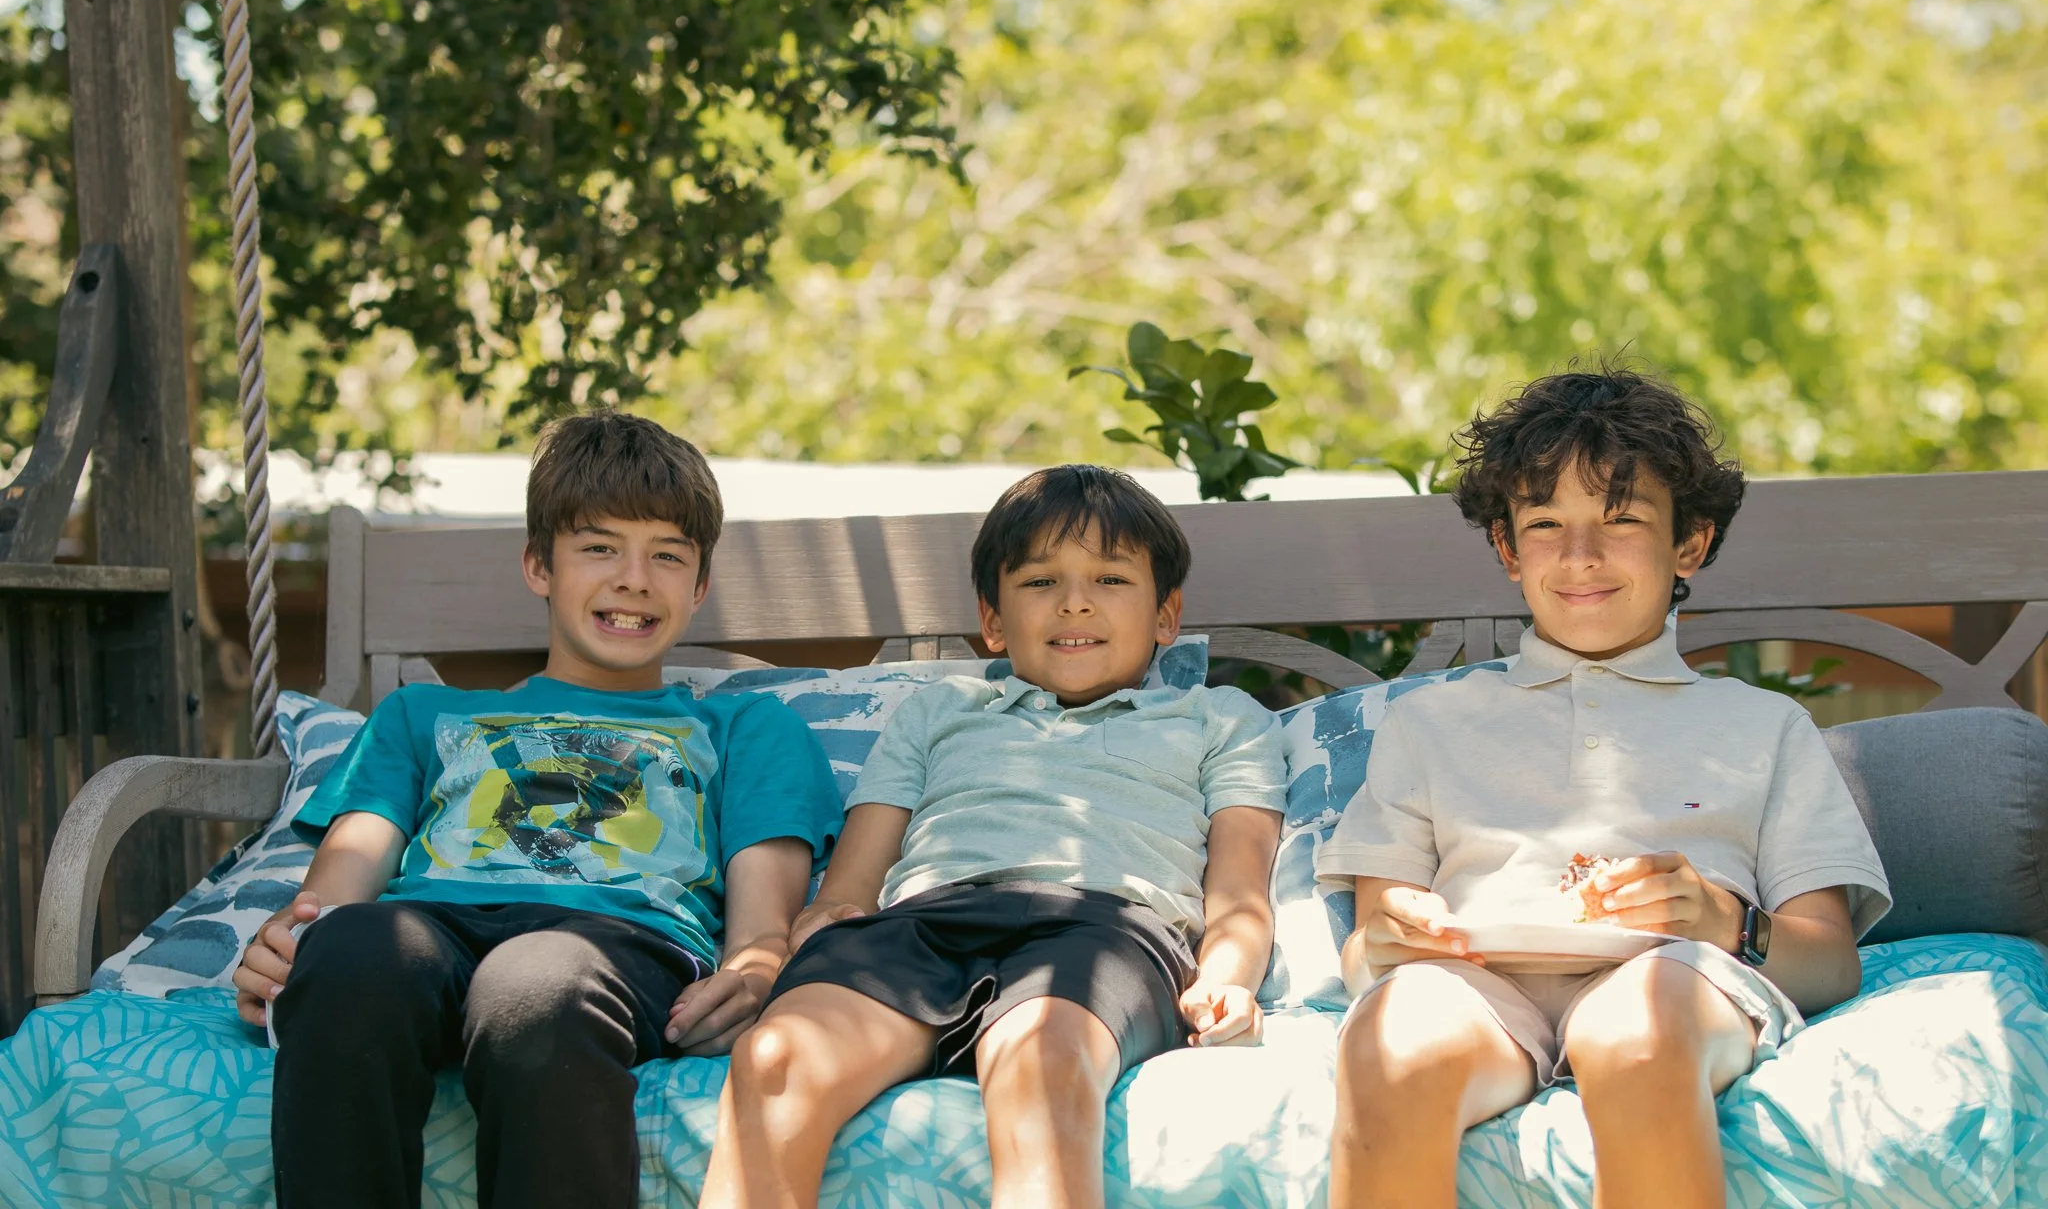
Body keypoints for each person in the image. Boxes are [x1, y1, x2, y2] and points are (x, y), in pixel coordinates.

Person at [232, 411, 843, 1209]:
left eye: (667, 555)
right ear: (537, 565)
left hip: (618, 944)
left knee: (534, 984)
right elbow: (337, 887)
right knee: (352, 951)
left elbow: (761, 929)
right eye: (599, 547)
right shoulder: (422, 716)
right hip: (430, 929)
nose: (634, 579)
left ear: (699, 586)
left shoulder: (746, 727)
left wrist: (754, 973)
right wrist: (293, 949)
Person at [1320, 368, 1891, 1209]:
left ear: (1689, 542)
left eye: (1621, 519)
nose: (1580, 555)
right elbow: (1368, 948)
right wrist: (1391, 937)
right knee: (1390, 1048)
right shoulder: (1428, 724)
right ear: (1509, 551)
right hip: (1474, 989)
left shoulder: (1765, 726)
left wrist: (1727, 922)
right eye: (1545, 524)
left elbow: (1832, 962)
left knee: (1636, 1033)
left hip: (1679, 977)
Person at [700, 464, 1288, 1209]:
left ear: (1165, 617)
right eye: (1040, 581)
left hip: (1104, 930)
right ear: (994, 622)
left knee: (1041, 1064)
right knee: (776, 1060)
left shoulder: (1219, 720)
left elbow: (1239, 892)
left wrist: (1226, 978)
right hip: (923, 925)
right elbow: (850, 888)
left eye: (1111, 579)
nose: (1075, 601)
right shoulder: (939, 712)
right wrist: (814, 932)